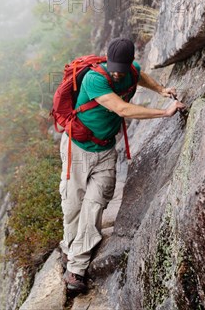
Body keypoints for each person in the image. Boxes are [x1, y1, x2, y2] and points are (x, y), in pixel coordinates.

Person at [59, 38, 187, 292]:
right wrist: (164, 112)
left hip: (106, 149)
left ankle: (76, 269)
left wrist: (160, 90)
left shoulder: (131, 70)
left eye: (122, 68)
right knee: (73, 205)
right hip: (78, 149)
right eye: (114, 67)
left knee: (95, 205)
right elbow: (122, 109)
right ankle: (69, 247)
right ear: (107, 60)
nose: (117, 72)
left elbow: (141, 75)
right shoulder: (94, 79)